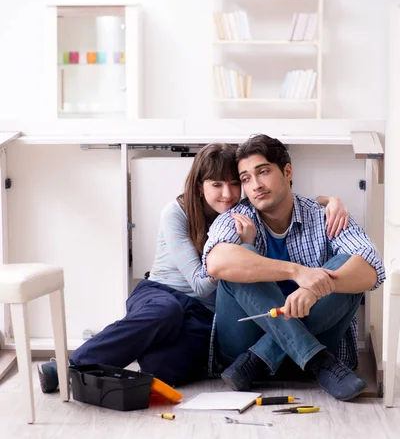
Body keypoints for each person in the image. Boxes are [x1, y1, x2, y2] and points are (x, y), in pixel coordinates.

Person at [38, 141, 349, 392]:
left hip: (206, 312)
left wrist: (328, 199)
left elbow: (290, 197)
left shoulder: (242, 210)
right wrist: (244, 248)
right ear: (200, 186)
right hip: (163, 293)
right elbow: (201, 283)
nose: (227, 194)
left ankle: (128, 345)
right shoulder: (176, 212)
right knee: (166, 313)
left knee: (163, 370)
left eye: (233, 184)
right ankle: (70, 365)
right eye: (216, 185)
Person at [201, 134, 385, 401]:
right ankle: (320, 361)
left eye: (262, 172)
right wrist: (296, 272)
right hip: (243, 344)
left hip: (249, 366)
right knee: (239, 259)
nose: (255, 185)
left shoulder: (325, 216)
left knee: (347, 267)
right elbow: (216, 262)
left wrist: (316, 289)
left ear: (287, 171)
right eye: (246, 178)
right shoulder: (237, 217)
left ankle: (264, 357)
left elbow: (371, 267)